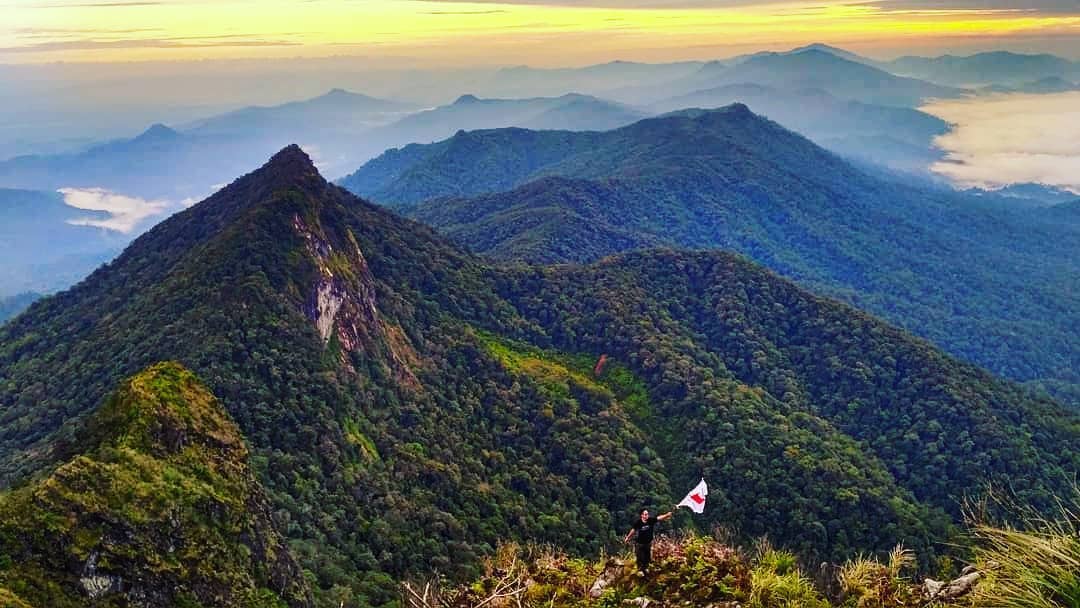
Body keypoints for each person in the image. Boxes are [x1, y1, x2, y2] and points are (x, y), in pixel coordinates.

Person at [624, 508, 673, 576]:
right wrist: (628, 537)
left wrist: (667, 515)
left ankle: (646, 568)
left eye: (647, 514)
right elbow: (633, 530)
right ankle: (640, 570)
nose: (647, 515)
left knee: (647, 556)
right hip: (640, 543)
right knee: (640, 557)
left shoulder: (650, 520)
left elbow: (659, 518)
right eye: (645, 514)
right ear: (642, 515)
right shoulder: (638, 522)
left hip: (648, 543)